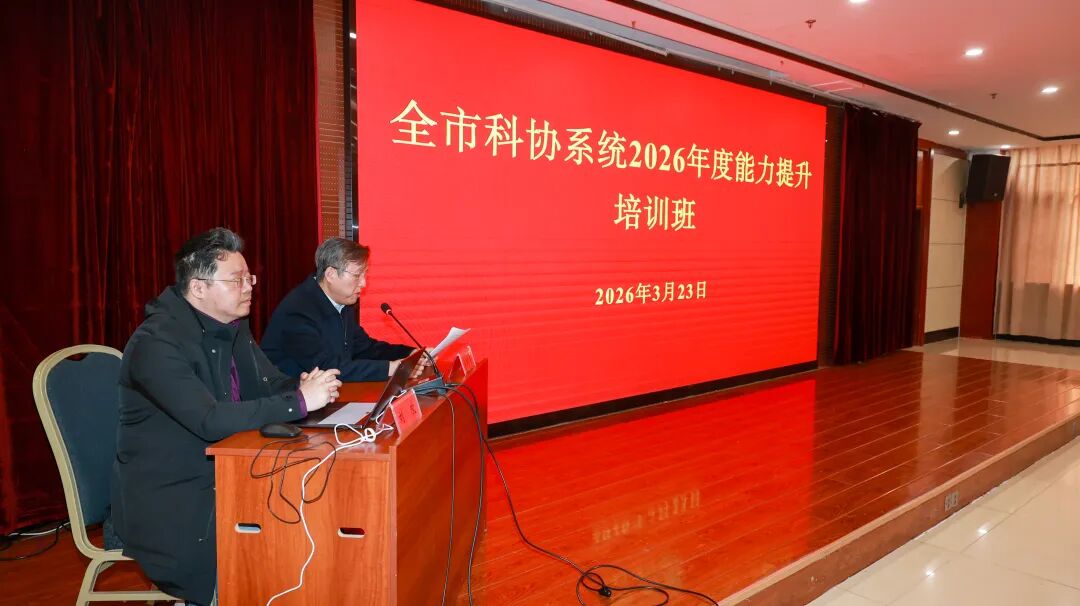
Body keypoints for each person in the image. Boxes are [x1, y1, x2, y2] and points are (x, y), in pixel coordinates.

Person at [110, 227, 342, 605]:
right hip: (173, 500)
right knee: (274, 543)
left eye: (249, 278)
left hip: (227, 473)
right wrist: (298, 402)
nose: (248, 287)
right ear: (198, 288)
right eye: (236, 280)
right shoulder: (156, 343)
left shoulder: (231, 327)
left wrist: (301, 386)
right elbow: (209, 420)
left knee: (311, 516)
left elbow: (267, 384)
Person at [262, 237, 417, 382]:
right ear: (330, 274)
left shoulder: (342, 302)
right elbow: (325, 368)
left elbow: (364, 348)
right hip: (288, 396)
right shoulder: (298, 311)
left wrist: (410, 354)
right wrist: (390, 368)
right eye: (357, 276)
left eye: (365, 275)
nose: (363, 283)